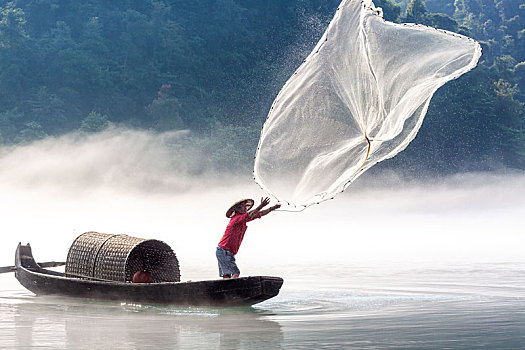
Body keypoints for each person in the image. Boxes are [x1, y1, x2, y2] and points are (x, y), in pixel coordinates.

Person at [216, 197, 280, 279]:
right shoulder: (236, 219)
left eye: (246, 206)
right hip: (223, 251)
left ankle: (227, 289)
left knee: (227, 275)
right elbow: (250, 214)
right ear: (237, 209)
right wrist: (261, 205)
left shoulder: (243, 220)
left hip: (225, 251)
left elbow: (259, 214)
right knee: (235, 273)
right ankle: (232, 288)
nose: (245, 208)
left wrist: (272, 208)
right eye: (243, 206)